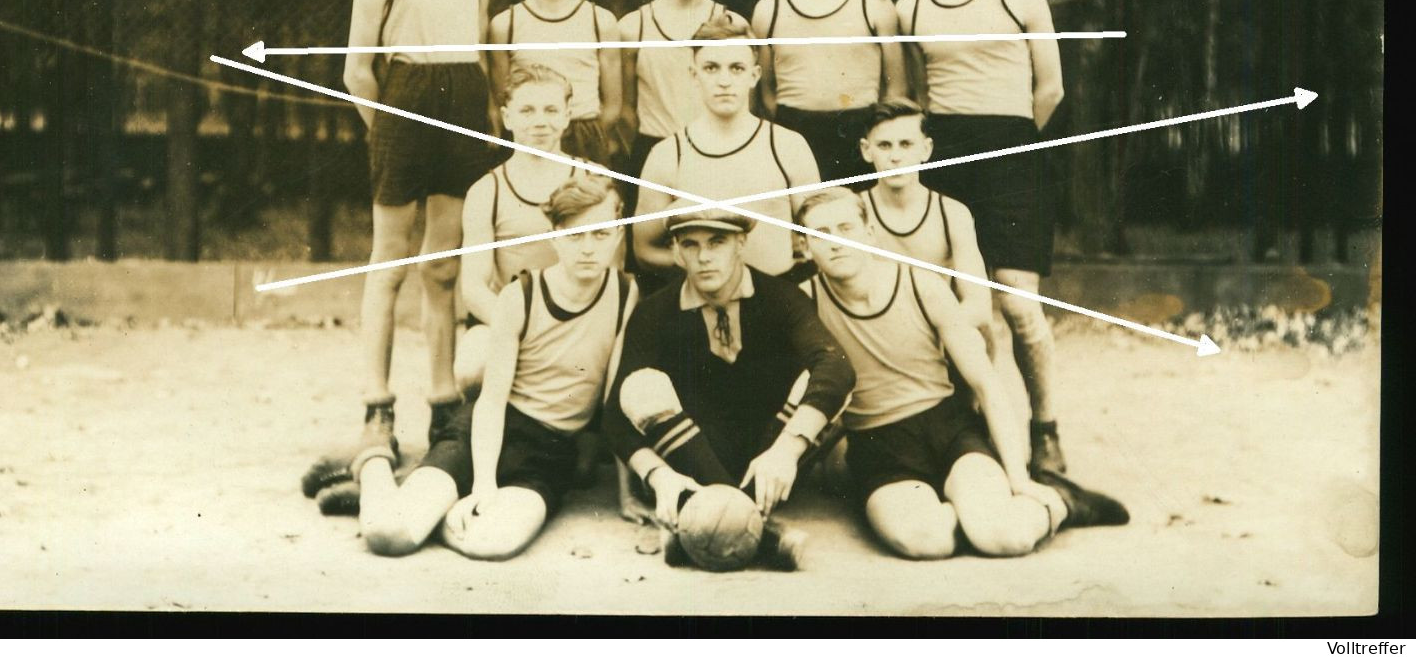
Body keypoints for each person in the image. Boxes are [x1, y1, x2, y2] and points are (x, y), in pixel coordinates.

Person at [301, 0, 496, 502]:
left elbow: (480, 60)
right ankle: (376, 406)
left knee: (441, 267)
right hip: (402, 106)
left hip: (463, 104)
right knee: (389, 262)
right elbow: (357, 68)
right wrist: (383, 128)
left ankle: (442, 402)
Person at [796, 187, 1126, 560]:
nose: (837, 242)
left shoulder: (919, 284)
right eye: (822, 233)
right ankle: (957, 510)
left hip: (949, 429)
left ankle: (1059, 502)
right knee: (926, 541)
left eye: (846, 227)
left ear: (869, 232)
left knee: (1004, 537)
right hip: (879, 444)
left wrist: (1018, 477)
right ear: (805, 246)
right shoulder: (804, 301)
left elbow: (986, 385)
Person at [348, 176, 637, 560]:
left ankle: (432, 510)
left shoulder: (625, 294)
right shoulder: (521, 295)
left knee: (490, 543)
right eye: (575, 235)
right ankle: (374, 467)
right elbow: (491, 401)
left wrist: (626, 493)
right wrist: (483, 487)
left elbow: (614, 397)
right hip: (485, 432)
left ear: (618, 235)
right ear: (554, 236)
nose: (588, 248)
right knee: (389, 535)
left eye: (601, 234)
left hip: (547, 452)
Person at [895, 0, 1068, 473]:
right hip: (947, 157)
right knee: (963, 306)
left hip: (1014, 153)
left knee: (1020, 306)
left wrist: (1013, 142)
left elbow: (1051, 87)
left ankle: (1044, 427)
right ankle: (979, 425)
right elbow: (909, 92)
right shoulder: (909, 7)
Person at [603, 208, 855, 570]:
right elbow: (615, 415)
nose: (704, 257)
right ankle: (763, 536)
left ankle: (699, 525)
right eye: (691, 245)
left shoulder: (780, 297)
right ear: (676, 251)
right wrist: (661, 477)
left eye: (717, 243)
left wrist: (785, 450)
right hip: (690, 460)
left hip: (768, 463)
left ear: (741, 244)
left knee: (831, 384)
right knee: (639, 386)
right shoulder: (656, 311)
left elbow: (837, 367)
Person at [632, 16, 819, 287]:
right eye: (711, 68)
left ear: (754, 76)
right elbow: (644, 250)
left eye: (736, 68)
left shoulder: (788, 146)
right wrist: (705, 272)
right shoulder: (667, 155)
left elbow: (819, 236)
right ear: (694, 76)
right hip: (701, 299)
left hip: (776, 299)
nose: (724, 81)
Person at [455, 63, 608, 393]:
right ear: (507, 117)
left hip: (578, 321)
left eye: (551, 109)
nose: (540, 121)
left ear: (568, 116)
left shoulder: (595, 180)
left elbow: (610, 274)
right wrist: (522, 332)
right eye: (527, 110)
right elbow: (474, 288)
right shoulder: (487, 190)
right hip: (511, 322)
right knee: (472, 363)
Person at [751, 0, 908, 184]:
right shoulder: (768, 10)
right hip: (794, 135)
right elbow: (766, 96)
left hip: (860, 137)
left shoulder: (873, 2)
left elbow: (896, 89)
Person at [618, 0, 750, 183]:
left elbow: (746, 105)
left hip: (720, 152)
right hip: (654, 153)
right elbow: (626, 111)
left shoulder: (734, 24)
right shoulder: (633, 27)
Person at [856, 99, 993, 348]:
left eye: (906, 144)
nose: (895, 157)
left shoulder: (951, 212)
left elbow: (979, 305)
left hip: (937, 336)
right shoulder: (854, 210)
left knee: (976, 339)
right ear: (866, 150)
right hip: (877, 339)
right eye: (884, 145)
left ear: (925, 150)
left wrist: (927, 331)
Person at [489, 0, 623, 167]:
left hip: (584, 135)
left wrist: (583, 135)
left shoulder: (601, 22)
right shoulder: (506, 25)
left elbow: (613, 105)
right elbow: (501, 99)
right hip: (530, 134)